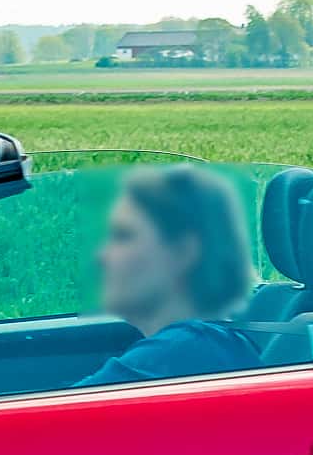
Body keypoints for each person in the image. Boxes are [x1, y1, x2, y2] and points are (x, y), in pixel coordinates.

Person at [71, 163, 259, 388]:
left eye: (123, 236)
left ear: (183, 251)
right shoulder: (208, 345)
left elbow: (52, 418)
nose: (102, 255)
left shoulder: (181, 350)